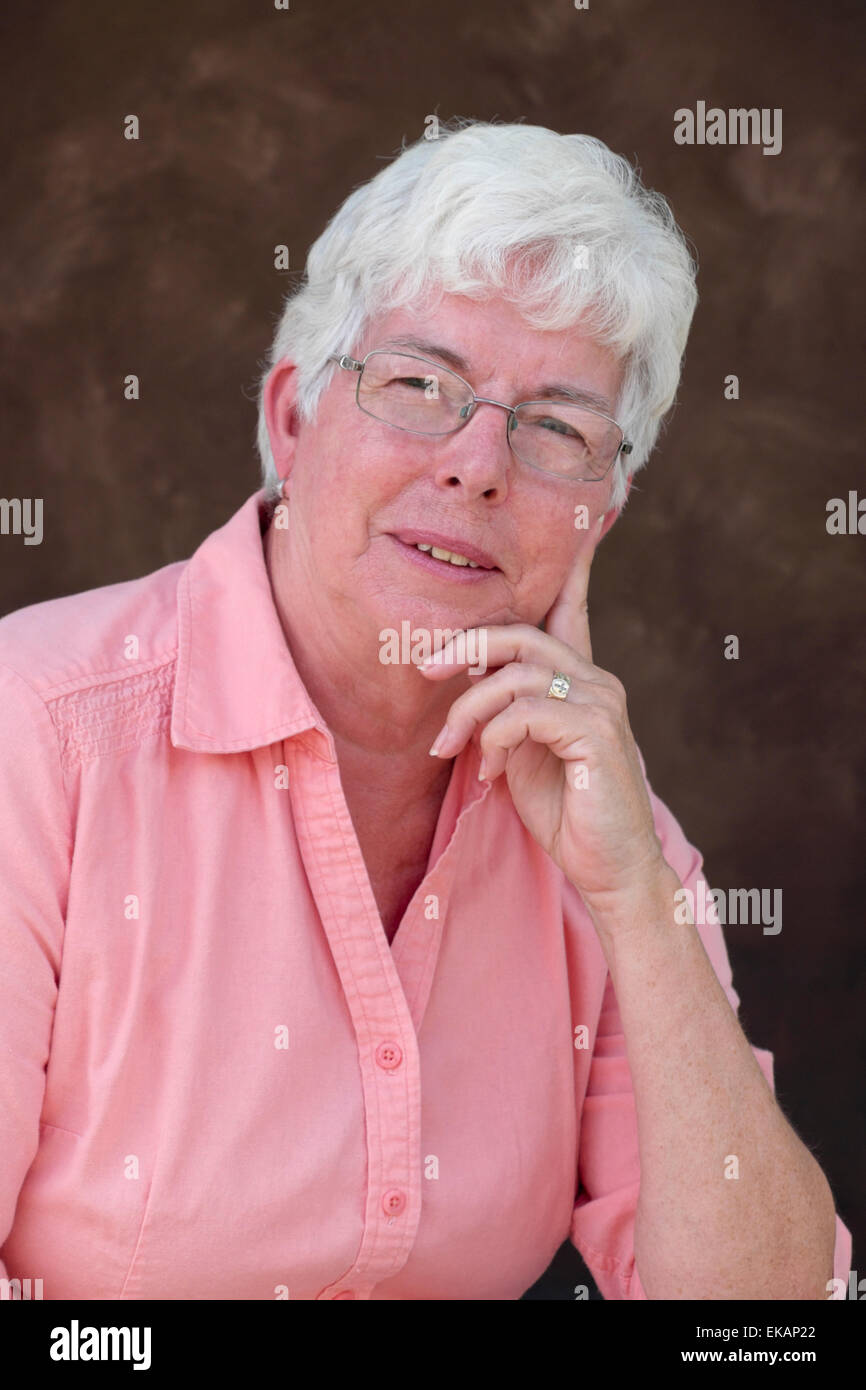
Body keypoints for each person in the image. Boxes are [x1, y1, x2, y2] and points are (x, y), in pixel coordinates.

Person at [0, 119, 851, 1300]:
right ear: (293, 419)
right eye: (418, 384)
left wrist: (639, 914)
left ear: (598, 512)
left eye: (555, 427)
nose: (477, 464)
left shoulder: (607, 825)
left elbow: (765, 1325)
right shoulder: (35, 733)